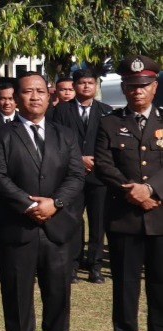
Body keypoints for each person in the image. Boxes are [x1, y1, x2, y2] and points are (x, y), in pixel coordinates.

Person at [0, 72, 86, 331]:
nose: (35, 97)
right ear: (16, 97)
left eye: (41, 91)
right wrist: (29, 204)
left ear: (49, 94)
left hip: (58, 227)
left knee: (58, 294)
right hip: (19, 227)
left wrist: (53, 204)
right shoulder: (2, 135)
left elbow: (76, 175)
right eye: (28, 92)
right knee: (17, 295)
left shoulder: (65, 134)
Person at [93, 56, 163, 331]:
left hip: (159, 216)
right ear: (123, 87)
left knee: (160, 291)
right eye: (132, 86)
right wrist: (130, 190)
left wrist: (150, 190)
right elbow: (103, 164)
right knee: (125, 290)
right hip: (124, 217)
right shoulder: (110, 122)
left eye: (143, 86)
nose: (137, 92)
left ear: (154, 87)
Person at [51, 66, 111, 283]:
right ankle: (73, 264)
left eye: (90, 83)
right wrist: (78, 159)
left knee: (98, 222)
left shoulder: (106, 110)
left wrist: (95, 160)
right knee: (73, 220)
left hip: (99, 175)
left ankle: (94, 266)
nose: (87, 86)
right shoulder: (61, 111)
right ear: (75, 86)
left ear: (96, 86)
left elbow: (109, 143)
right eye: (82, 83)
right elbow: (57, 141)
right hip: (71, 174)